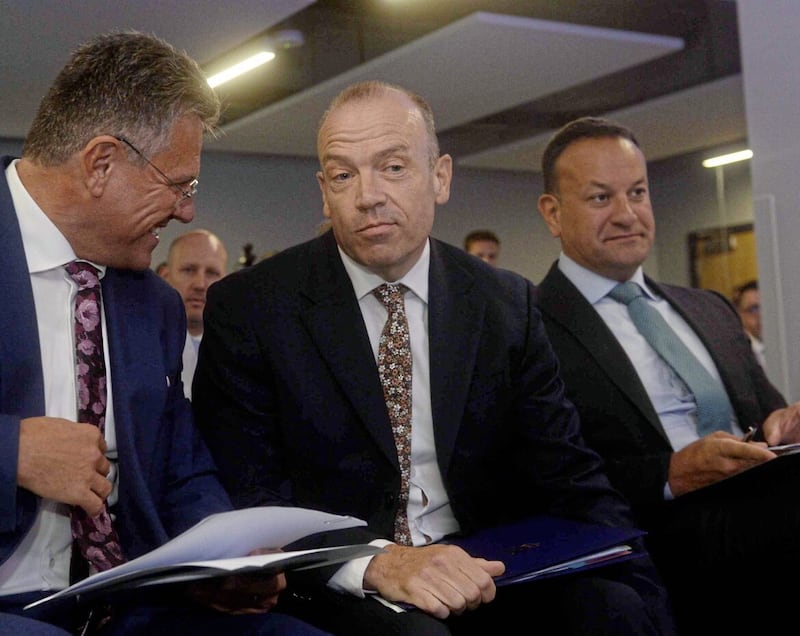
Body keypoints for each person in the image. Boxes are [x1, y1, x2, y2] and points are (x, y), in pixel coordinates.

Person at [193, 81, 677, 636]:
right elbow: (251, 492)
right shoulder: (252, 307)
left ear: (440, 177)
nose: (368, 195)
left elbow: (567, 468)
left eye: (393, 168)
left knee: (617, 609)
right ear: (324, 193)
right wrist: (373, 564)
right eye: (344, 175)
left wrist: (641, 575)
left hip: (484, 565)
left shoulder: (504, 303)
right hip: (343, 579)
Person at [0, 31, 328, 636]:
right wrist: (11, 452)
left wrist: (224, 560)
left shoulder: (154, 304)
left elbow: (181, 469)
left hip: (133, 602)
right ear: (102, 163)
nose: (187, 212)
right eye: (179, 185)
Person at [535, 116, 800, 634]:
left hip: (766, 501)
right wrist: (671, 473)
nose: (627, 214)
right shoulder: (527, 326)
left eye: (637, 192)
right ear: (552, 213)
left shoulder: (708, 308)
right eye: (599, 198)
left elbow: (769, 415)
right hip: (658, 528)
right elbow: (539, 477)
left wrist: (785, 425)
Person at [160, 229, 228, 399]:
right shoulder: (137, 348)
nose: (200, 284)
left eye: (212, 273)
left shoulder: (243, 355)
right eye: (189, 270)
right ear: (165, 277)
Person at [732, 279, 767, 369]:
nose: (762, 314)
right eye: (754, 309)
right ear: (739, 314)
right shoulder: (737, 353)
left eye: (766, 307)